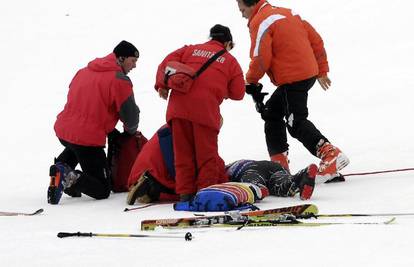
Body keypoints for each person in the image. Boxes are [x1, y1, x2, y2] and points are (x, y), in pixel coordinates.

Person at [235, 0, 349, 182]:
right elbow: (316, 40)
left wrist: (251, 81)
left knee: (295, 122)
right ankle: (279, 167)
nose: (241, 15)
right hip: (305, 74)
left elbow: (260, 57)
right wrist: (321, 70)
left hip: (293, 77)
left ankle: (331, 155)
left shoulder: (261, 21)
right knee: (272, 114)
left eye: (242, 10)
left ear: (251, 5)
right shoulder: (288, 13)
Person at [154, 24, 245, 201]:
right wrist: (221, 88)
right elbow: (238, 93)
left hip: (178, 109)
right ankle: (206, 195)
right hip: (205, 111)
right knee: (206, 157)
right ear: (227, 43)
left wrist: (162, 85)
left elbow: (165, 63)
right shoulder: (230, 61)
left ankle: (185, 195)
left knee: (183, 155)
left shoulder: (189, 50)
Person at [126, 124, 316, 204]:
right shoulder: (190, 133)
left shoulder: (236, 169)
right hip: (272, 167)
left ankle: (257, 190)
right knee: (281, 183)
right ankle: (301, 177)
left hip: (249, 170)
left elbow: (214, 169)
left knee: (257, 186)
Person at [48, 40, 141, 204]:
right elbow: (130, 116)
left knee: (76, 145)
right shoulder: (119, 79)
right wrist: (130, 132)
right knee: (102, 189)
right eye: (132, 61)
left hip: (65, 130)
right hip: (87, 139)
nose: (134, 66)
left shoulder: (84, 71)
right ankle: (71, 177)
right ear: (120, 58)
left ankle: (61, 168)